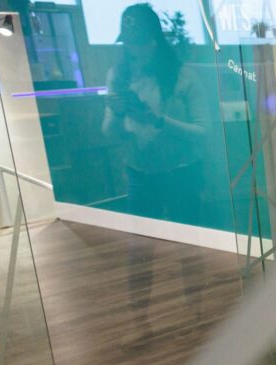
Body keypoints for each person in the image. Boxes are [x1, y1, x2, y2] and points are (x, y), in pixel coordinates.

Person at [102, 3, 209, 345]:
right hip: (141, 172)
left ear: (155, 41)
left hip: (182, 172)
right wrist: (118, 115)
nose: (134, 50)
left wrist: (159, 121)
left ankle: (197, 314)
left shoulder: (183, 75)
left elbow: (204, 132)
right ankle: (140, 321)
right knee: (139, 251)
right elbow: (109, 134)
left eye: (141, 42)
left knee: (188, 247)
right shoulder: (117, 77)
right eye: (129, 43)